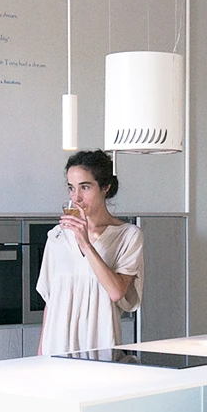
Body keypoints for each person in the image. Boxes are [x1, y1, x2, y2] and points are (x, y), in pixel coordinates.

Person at [37, 150, 143, 356]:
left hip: (99, 347)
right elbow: (50, 301)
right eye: (71, 188)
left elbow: (116, 292)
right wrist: (41, 353)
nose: (76, 197)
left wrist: (85, 243)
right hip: (56, 349)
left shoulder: (128, 235)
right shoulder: (57, 236)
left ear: (105, 187)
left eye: (85, 187)